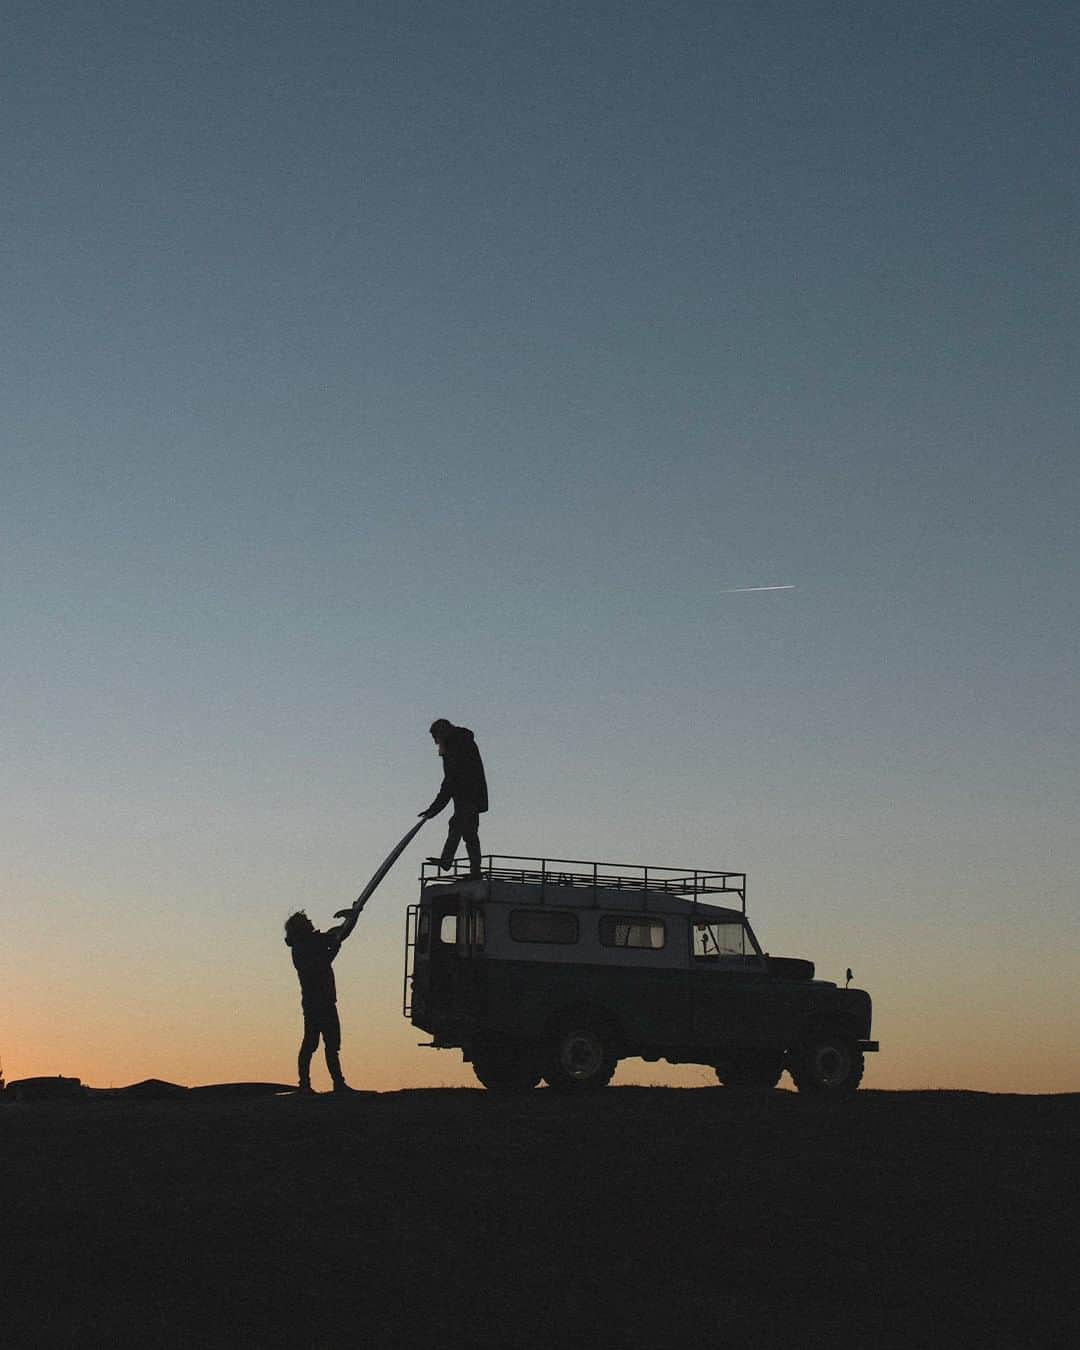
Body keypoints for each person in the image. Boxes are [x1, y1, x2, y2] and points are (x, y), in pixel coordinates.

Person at [283, 907, 359, 1094]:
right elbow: (319, 965)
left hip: (326, 1001)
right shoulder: (300, 949)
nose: (311, 922)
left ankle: (338, 1083)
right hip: (315, 1003)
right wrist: (334, 950)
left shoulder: (313, 941)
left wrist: (352, 918)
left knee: (332, 1044)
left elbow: (339, 934)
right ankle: (305, 1085)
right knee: (311, 1043)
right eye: (307, 921)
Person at [419, 718, 488, 879]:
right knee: (465, 830)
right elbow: (451, 781)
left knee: (462, 828)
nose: (436, 743)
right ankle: (461, 865)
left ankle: (453, 863)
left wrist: (434, 809)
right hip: (469, 795)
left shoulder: (455, 747)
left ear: (442, 733)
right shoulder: (459, 743)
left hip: (468, 795)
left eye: (435, 738)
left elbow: (450, 781)